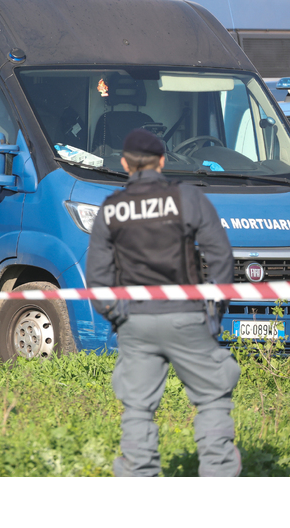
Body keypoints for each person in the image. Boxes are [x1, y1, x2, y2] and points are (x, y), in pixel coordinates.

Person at [87, 128, 241, 477]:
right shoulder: (186, 198)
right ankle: (219, 480)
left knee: (138, 408)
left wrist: (117, 316)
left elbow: (97, 278)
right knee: (213, 397)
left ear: (125, 164)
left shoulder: (111, 209)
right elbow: (220, 254)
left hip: (136, 322)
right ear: (162, 161)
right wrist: (214, 307)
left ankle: (140, 483)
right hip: (187, 316)